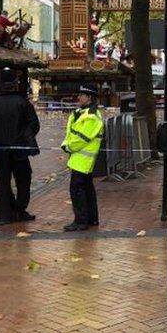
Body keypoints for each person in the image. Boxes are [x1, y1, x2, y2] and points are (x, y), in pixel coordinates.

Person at [0, 67, 40, 225]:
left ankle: (4, 215)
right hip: (19, 151)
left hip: (0, 151)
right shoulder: (23, 103)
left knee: (3, 182)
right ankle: (20, 210)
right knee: (24, 180)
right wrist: (23, 139)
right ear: (14, 84)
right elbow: (34, 124)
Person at [61, 85, 104, 231]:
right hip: (79, 158)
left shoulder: (91, 116)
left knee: (77, 189)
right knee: (86, 188)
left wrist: (68, 147)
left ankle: (81, 221)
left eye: (82, 95)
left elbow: (82, 138)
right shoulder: (81, 113)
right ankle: (91, 219)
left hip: (83, 158)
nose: (78, 97)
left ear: (89, 97)